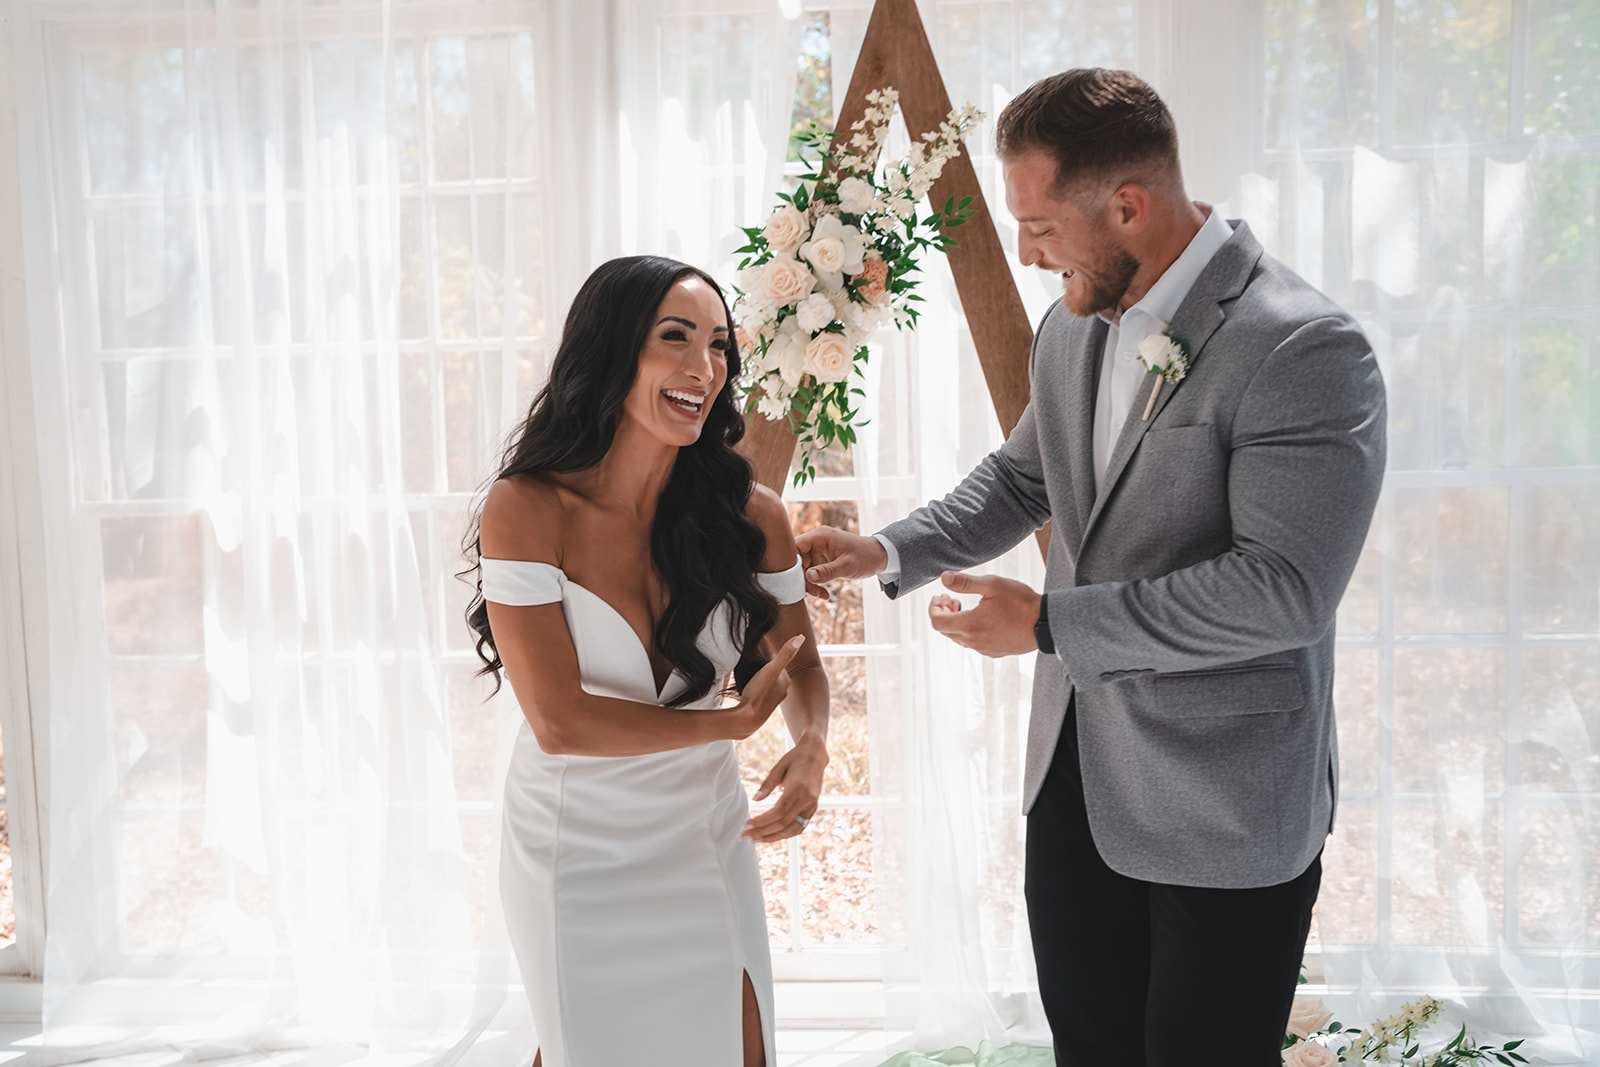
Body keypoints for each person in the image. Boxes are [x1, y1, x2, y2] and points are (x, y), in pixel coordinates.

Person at [795, 69, 1386, 1065]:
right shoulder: (1071, 325)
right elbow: (1026, 476)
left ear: (1128, 207)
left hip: (1225, 803)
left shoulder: (1303, 347)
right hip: (1074, 782)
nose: (1027, 253)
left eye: (1038, 226)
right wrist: (889, 547)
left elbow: (1282, 590)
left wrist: (1047, 623)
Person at [463, 255, 830, 1067]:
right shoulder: (527, 507)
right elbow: (559, 722)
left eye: (719, 345)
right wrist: (729, 724)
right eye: (676, 337)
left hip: (704, 829)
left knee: (741, 1049)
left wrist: (812, 746)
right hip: (575, 846)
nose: (704, 367)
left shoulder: (753, 516)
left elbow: (800, 664)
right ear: (613, 349)